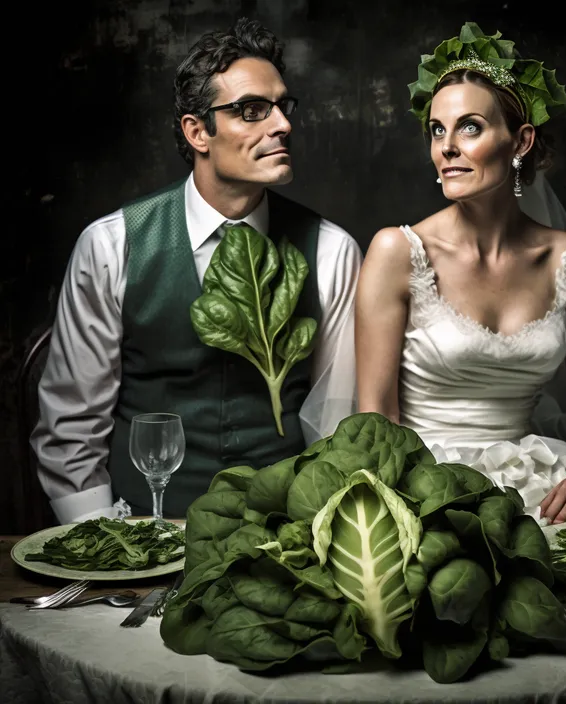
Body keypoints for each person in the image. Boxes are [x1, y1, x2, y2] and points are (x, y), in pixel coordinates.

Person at [32, 18, 362, 524]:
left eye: (283, 106)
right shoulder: (109, 246)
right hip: (143, 527)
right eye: (252, 110)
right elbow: (72, 427)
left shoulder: (331, 252)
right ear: (197, 131)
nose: (282, 125)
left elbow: (337, 424)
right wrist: (105, 545)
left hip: (280, 538)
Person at [355, 22, 566, 532]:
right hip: (421, 481)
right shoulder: (397, 250)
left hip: (532, 477)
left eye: (469, 127)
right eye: (437, 130)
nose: (446, 147)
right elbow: (376, 413)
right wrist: (412, 504)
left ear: (520, 140)